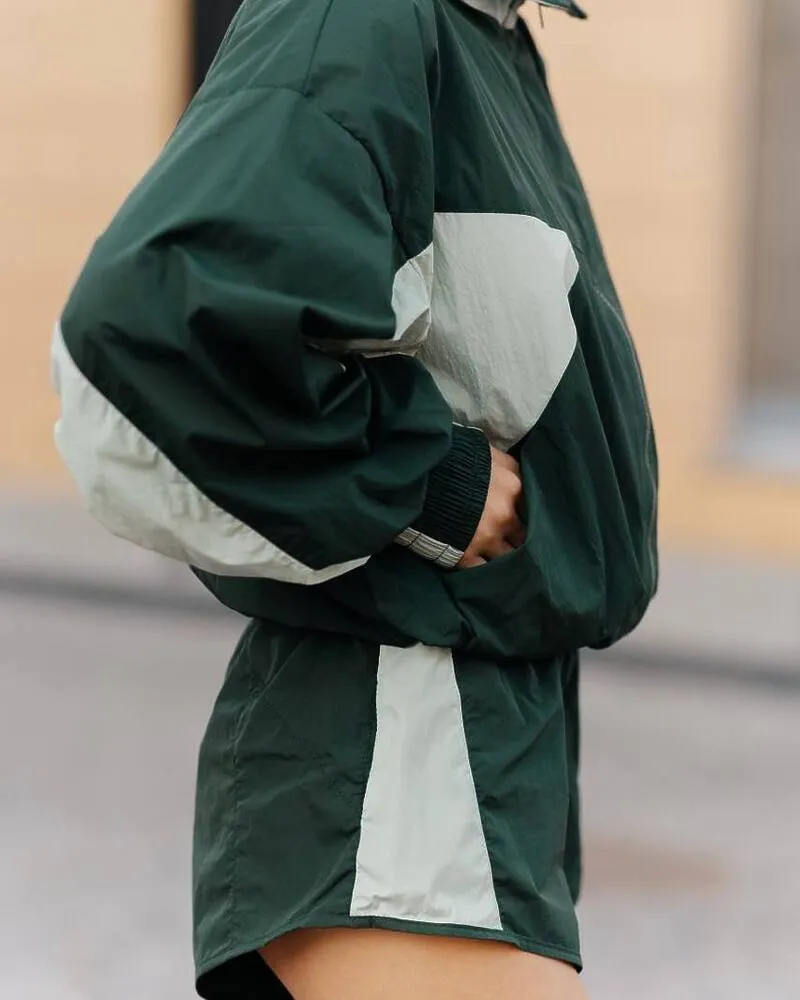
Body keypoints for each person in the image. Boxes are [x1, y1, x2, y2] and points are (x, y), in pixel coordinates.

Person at [51, 0, 659, 996]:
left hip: (484, 759)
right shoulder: (365, 14)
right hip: (405, 762)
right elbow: (154, 329)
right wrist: (431, 482)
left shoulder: (489, 40)